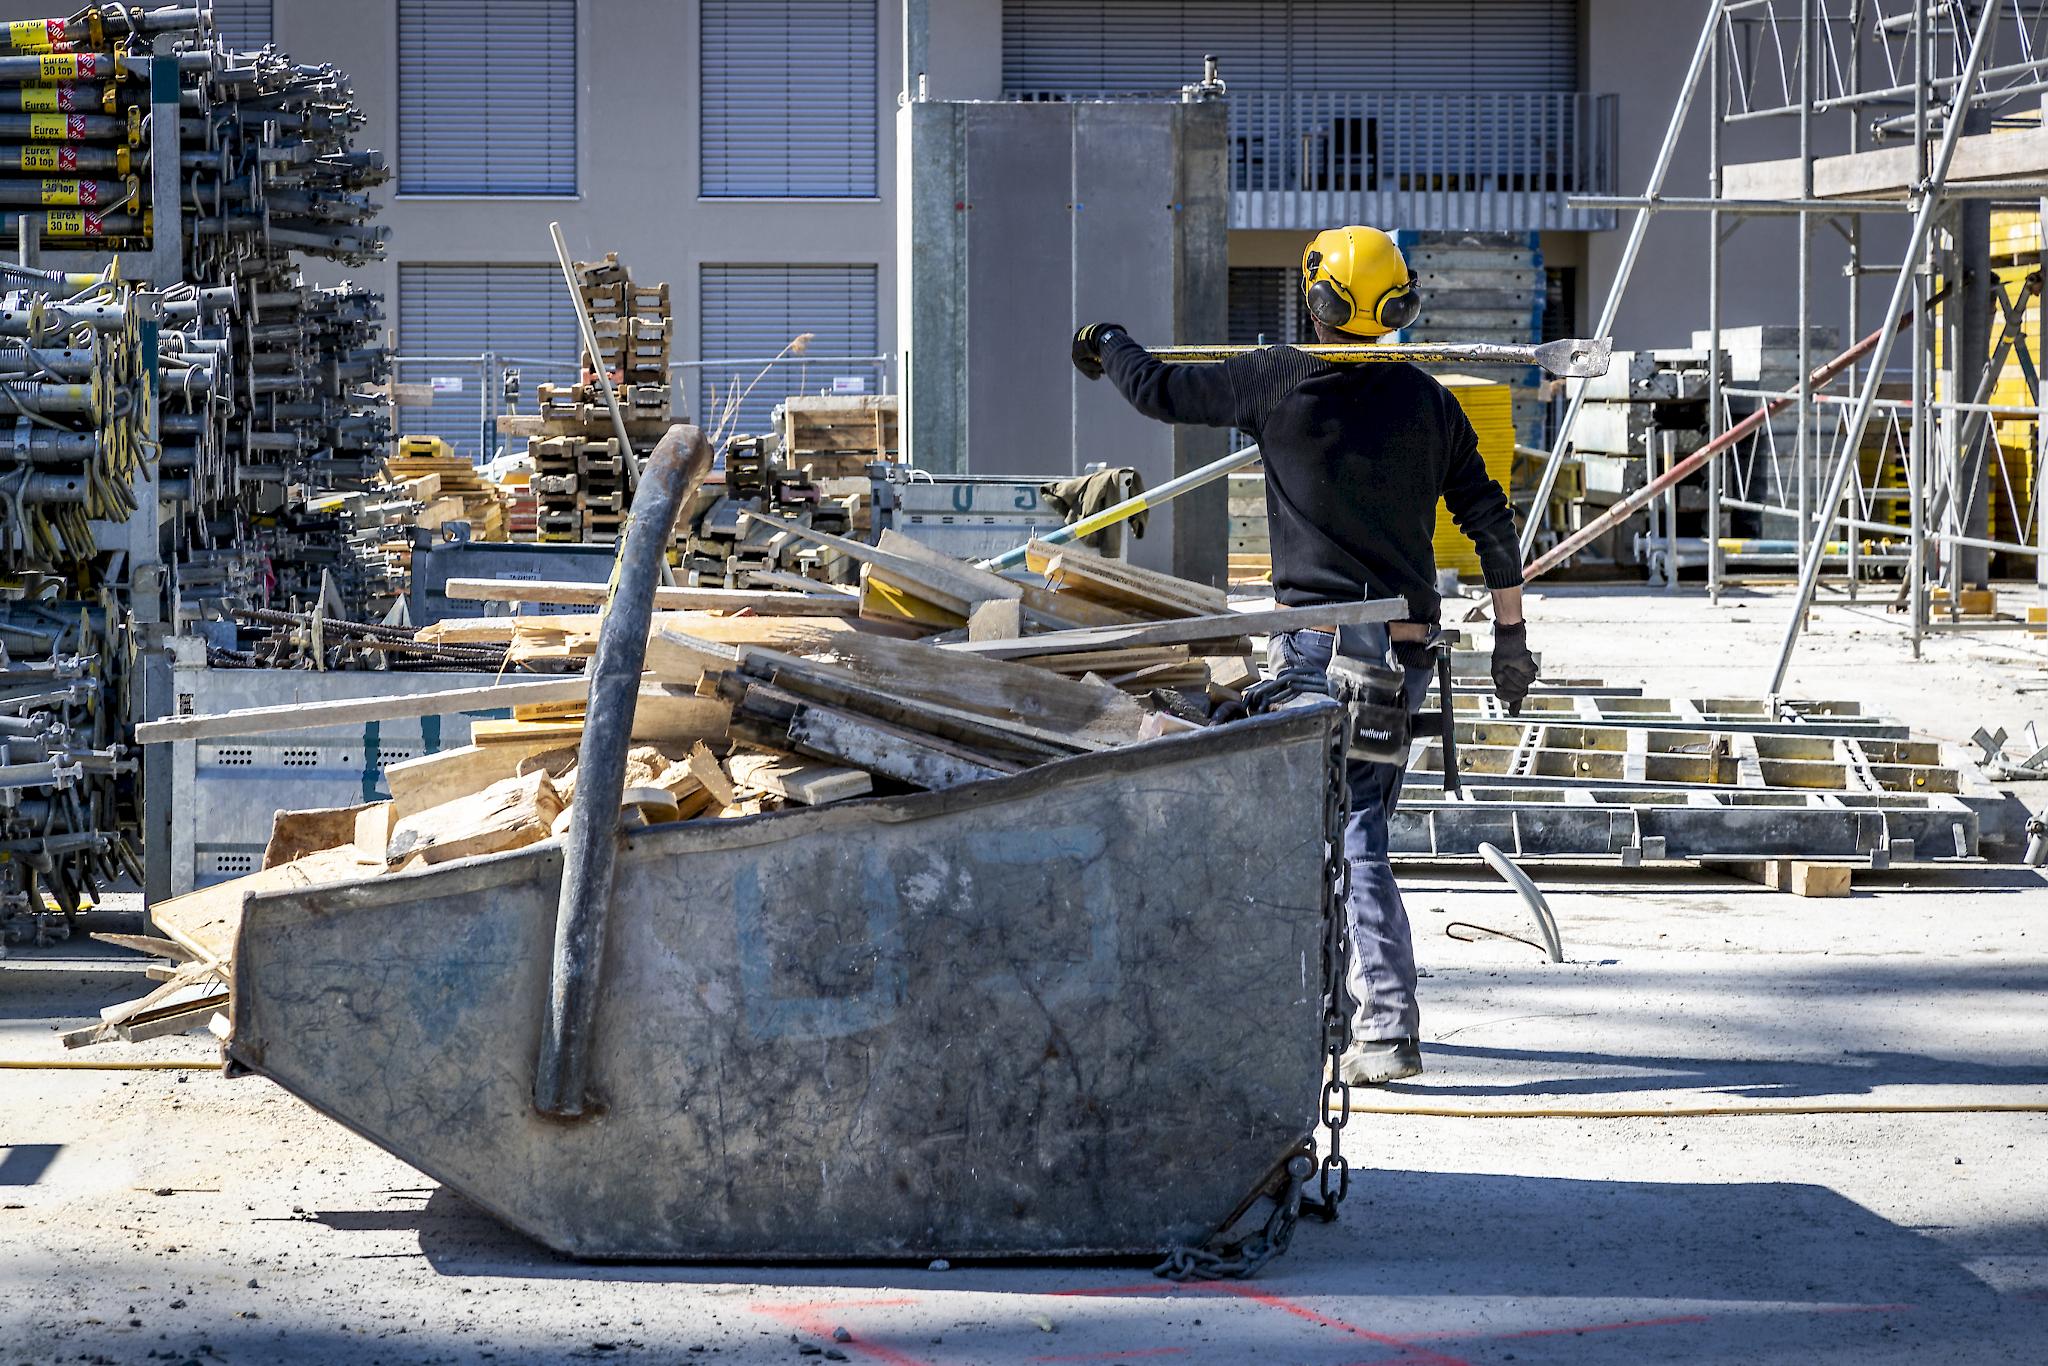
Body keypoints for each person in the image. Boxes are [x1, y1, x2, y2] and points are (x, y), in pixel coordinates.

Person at [1071, 224, 1538, 1085]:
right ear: (1397, 307)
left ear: (1315, 301)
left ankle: (1387, 1026)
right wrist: (1511, 636)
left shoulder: (1275, 377)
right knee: (1350, 822)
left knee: (1342, 831)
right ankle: (1336, 1015)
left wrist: (1108, 342)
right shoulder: (1429, 401)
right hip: (1403, 650)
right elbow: (1491, 522)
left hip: (1322, 651)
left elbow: (1160, 392)